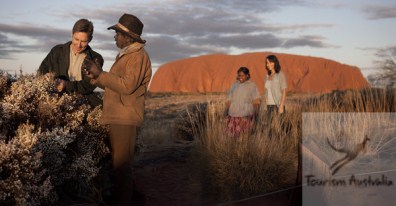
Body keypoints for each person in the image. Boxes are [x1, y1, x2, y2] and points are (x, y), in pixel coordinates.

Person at [84, 13, 152, 205]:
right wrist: (96, 76)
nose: (115, 36)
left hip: (125, 117)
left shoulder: (138, 56)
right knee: (118, 166)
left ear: (129, 37)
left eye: (118, 33)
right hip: (118, 116)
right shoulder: (127, 55)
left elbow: (127, 86)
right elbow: (115, 85)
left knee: (122, 167)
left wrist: (102, 73)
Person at [38, 18, 104, 107]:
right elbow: (41, 70)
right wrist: (45, 76)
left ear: (90, 39)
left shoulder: (96, 58)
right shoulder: (57, 51)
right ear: (72, 33)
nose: (79, 45)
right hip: (55, 101)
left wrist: (66, 85)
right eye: (76, 39)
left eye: (84, 41)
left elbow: (89, 85)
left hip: (85, 103)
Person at [224, 67, 261, 137]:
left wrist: (256, 115)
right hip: (233, 114)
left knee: (244, 136)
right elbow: (229, 100)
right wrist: (225, 112)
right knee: (231, 135)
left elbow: (256, 101)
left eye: (242, 75)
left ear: (247, 75)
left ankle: (243, 148)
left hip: (245, 115)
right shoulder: (234, 85)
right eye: (239, 75)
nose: (240, 77)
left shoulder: (252, 85)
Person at [264, 54, 287, 138]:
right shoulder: (267, 76)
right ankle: (272, 147)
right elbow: (266, 92)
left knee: (279, 128)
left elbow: (284, 90)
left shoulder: (280, 75)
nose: (268, 64)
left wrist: (281, 105)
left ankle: (282, 146)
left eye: (270, 62)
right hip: (268, 105)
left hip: (277, 105)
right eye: (267, 63)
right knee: (270, 128)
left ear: (275, 63)